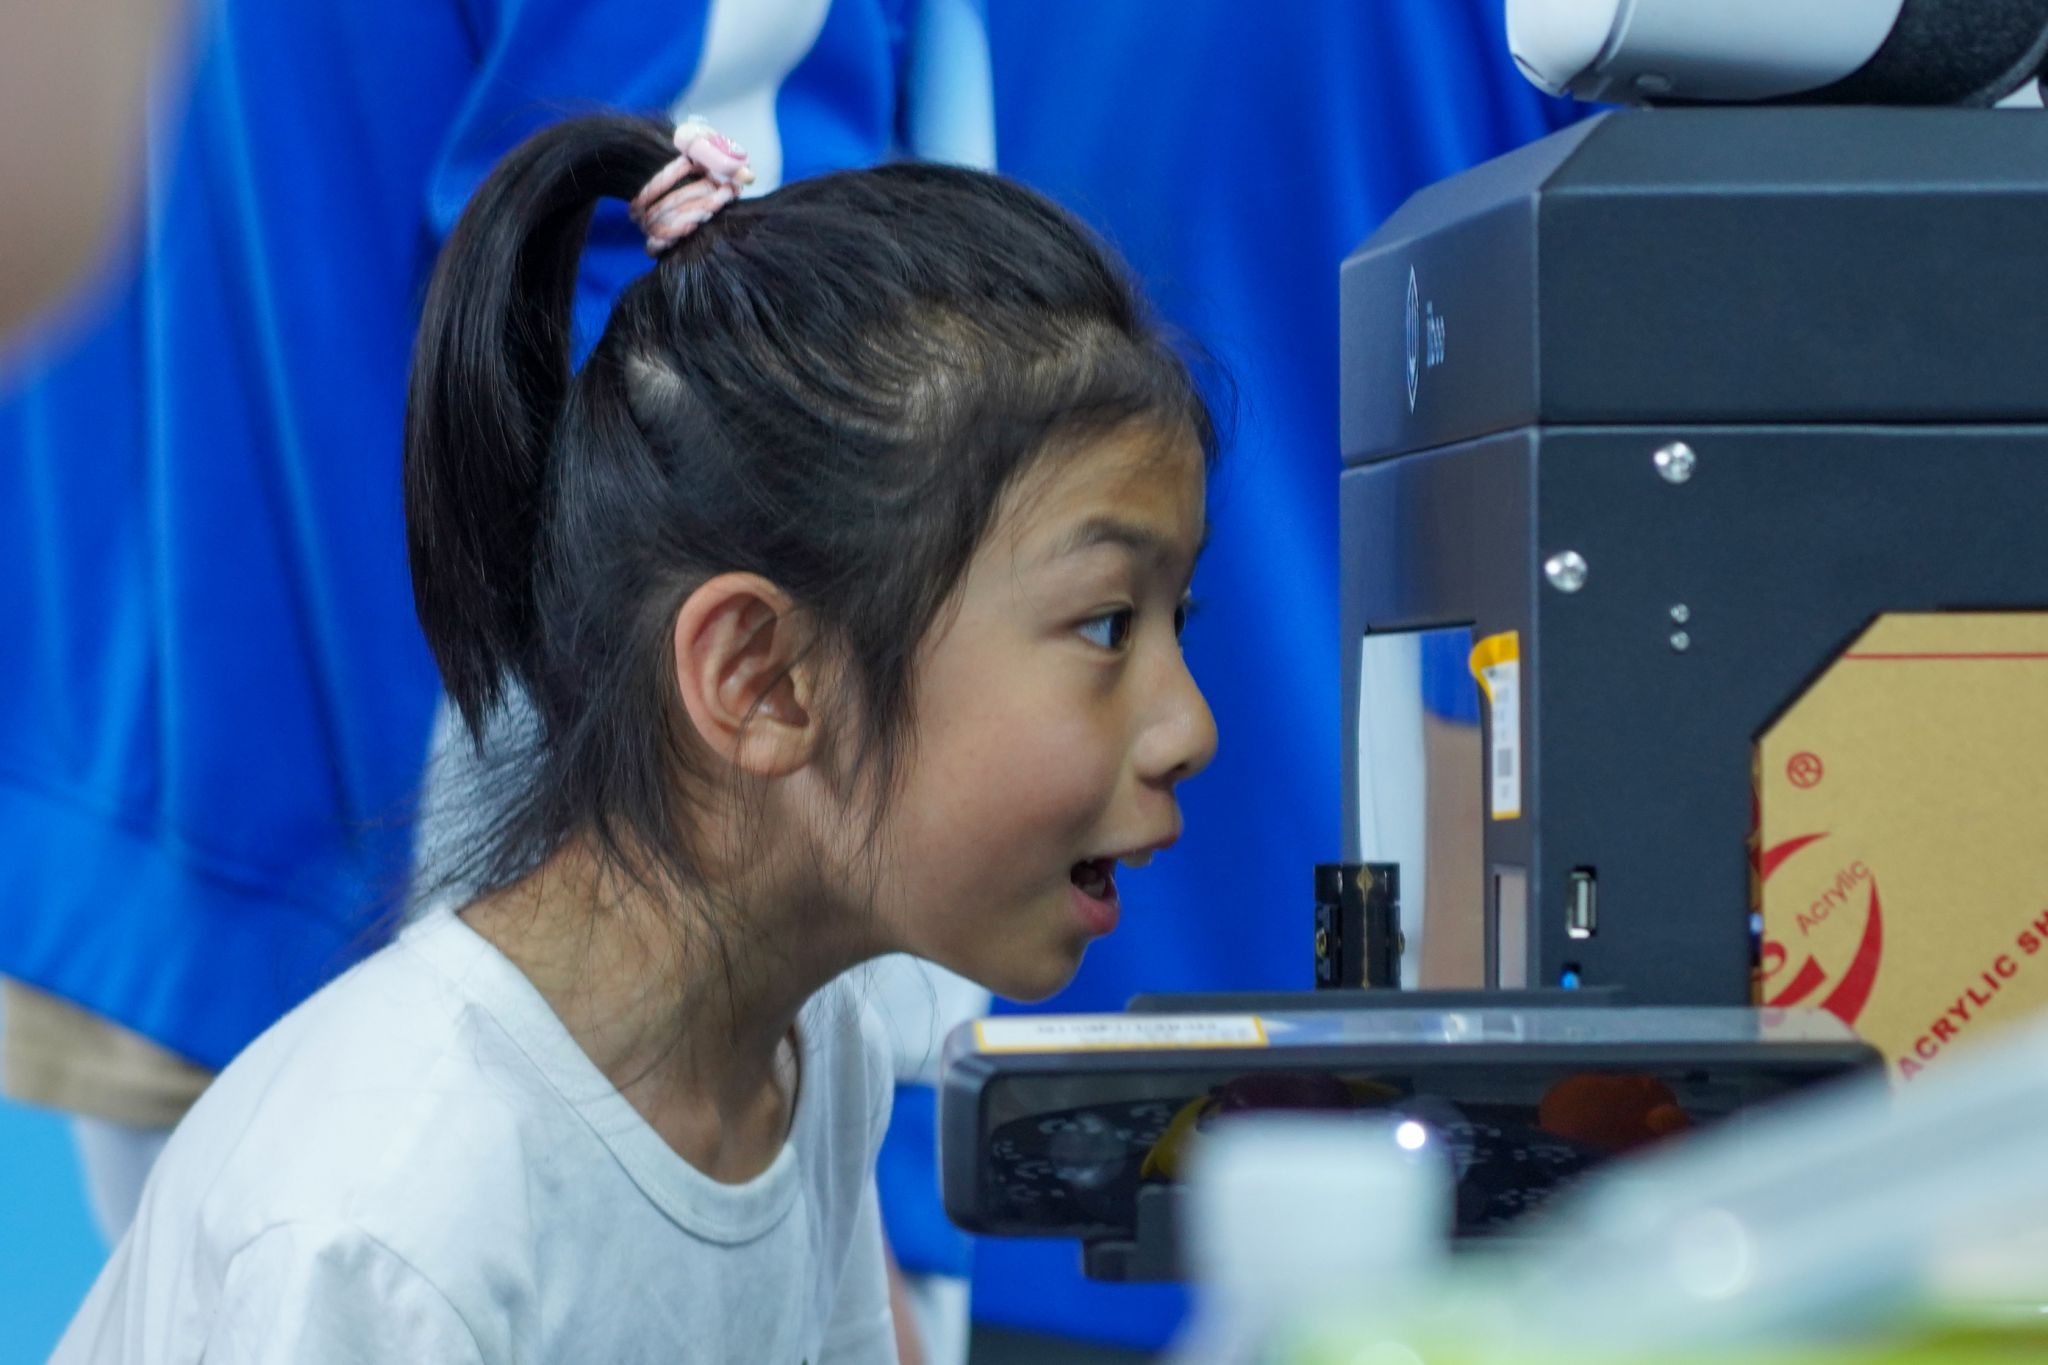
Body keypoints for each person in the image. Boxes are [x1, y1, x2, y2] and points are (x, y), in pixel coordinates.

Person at [52, 110, 1218, 1363]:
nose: (1189, 728)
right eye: (1106, 626)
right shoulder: (384, 1227)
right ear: (762, 680)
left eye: (1175, 622)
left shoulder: (806, 1053)